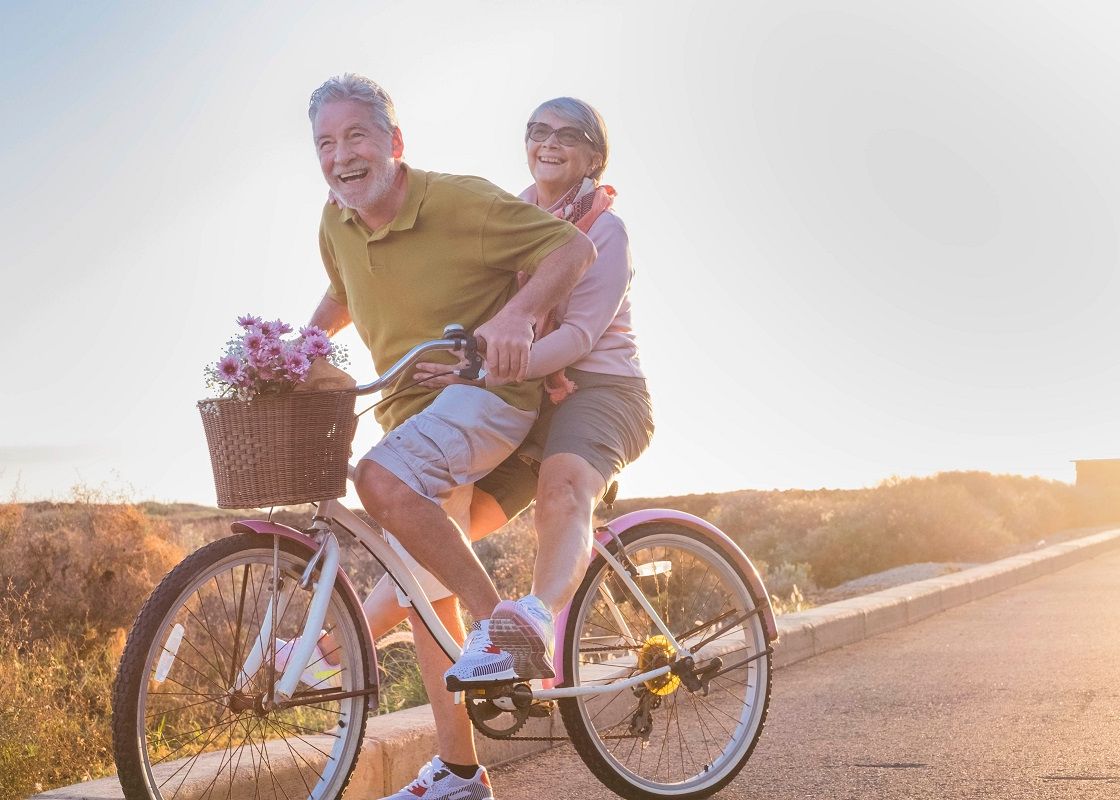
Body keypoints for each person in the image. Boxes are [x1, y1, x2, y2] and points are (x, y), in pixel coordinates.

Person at [299, 74, 596, 800]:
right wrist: (299, 347)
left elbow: (570, 252)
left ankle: (503, 629)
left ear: (394, 144)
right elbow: (343, 292)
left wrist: (519, 317)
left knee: (378, 478)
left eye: (356, 137)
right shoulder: (335, 222)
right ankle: (462, 773)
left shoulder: (458, 200)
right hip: (413, 415)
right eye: (325, 144)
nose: (341, 157)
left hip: (488, 397)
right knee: (426, 596)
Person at [359, 97, 654, 800]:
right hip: (523, 400)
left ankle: (531, 623)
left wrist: (489, 370)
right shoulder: (515, 212)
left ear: (593, 157)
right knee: (433, 539)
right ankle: (345, 654)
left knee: (561, 492)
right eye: (537, 132)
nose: (549, 144)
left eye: (568, 136)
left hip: (600, 392)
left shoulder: (605, 231)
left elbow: (579, 340)